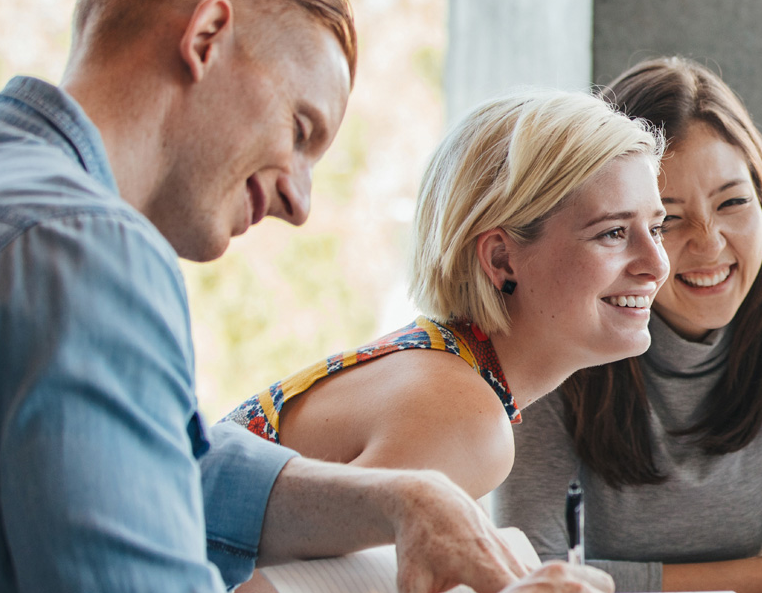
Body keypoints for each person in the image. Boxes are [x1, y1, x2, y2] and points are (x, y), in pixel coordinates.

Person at [0, 0, 622, 593]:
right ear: (206, 35)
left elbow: (153, 465)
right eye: (300, 130)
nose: (301, 202)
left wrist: (401, 499)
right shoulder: (84, 248)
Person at [497, 57, 762, 593]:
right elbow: (532, 578)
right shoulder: (559, 334)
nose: (708, 244)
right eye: (667, 219)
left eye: (733, 202)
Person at [222, 89, 671, 502]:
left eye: (656, 229)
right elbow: (270, 587)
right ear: (501, 259)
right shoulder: (464, 420)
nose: (657, 264)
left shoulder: (444, 368)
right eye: (613, 233)